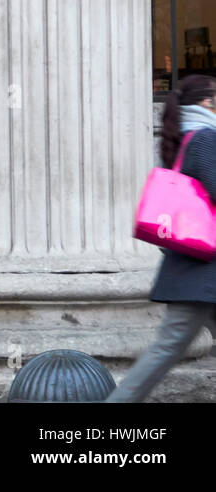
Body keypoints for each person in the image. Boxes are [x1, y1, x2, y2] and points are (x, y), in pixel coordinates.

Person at [107, 74, 216, 402]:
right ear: (206, 102)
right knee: (164, 351)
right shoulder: (204, 138)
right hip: (201, 275)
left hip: (194, 271)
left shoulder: (181, 140)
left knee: (164, 349)